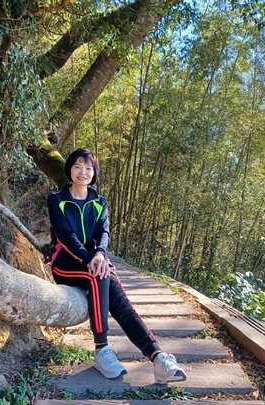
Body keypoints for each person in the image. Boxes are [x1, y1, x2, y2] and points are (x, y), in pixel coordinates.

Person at [47, 148, 187, 382]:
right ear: (69, 169)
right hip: (65, 262)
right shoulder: (57, 200)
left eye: (88, 168)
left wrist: (100, 254)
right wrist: (89, 259)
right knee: (98, 276)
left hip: (94, 259)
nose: (83, 172)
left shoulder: (100, 202)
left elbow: (104, 232)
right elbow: (65, 235)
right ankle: (101, 348)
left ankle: (157, 356)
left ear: (94, 173)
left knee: (119, 299)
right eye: (78, 167)